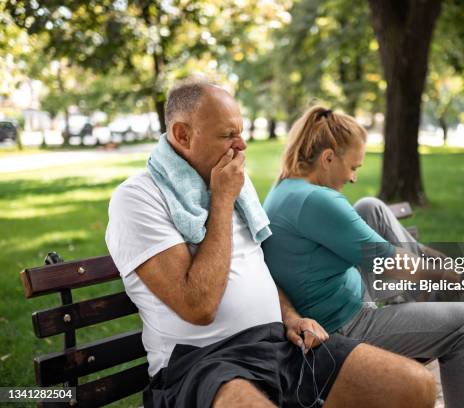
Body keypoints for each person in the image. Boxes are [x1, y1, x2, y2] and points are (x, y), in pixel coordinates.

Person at [105, 79, 437, 408]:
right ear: (182, 135)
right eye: (227, 135)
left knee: (414, 386)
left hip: (276, 345)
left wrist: (291, 317)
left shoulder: (229, 181)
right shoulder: (139, 199)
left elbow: (254, 269)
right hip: (204, 365)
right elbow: (199, 306)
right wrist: (221, 201)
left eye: (241, 131)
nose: (242, 145)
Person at [262, 106, 464, 408]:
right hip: (343, 325)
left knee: (371, 207)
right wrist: (451, 273)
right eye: (353, 167)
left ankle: (434, 296)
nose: (353, 178)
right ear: (328, 158)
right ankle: (445, 291)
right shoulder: (317, 200)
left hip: (335, 294)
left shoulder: (286, 186)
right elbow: (389, 262)